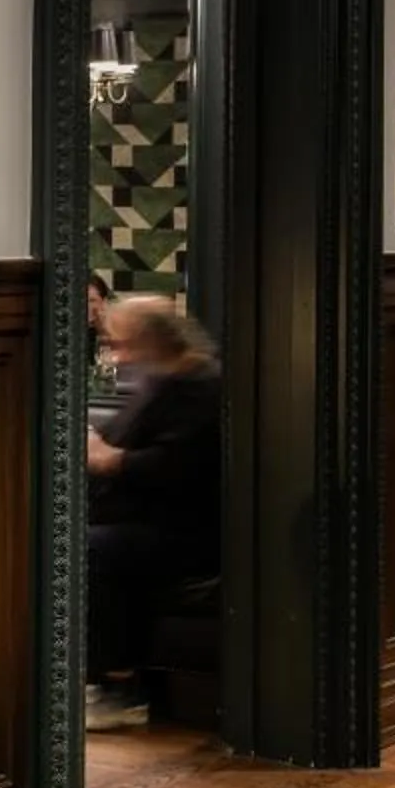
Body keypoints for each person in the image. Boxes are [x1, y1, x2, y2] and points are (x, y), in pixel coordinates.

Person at [84, 293, 222, 731]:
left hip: (185, 533)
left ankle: (119, 687)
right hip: (145, 520)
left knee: (92, 550)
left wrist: (108, 459)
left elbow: (174, 466)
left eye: (122, 344)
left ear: (151, 342)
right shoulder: (162, 380)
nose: (116, 355)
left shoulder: (201, 386)